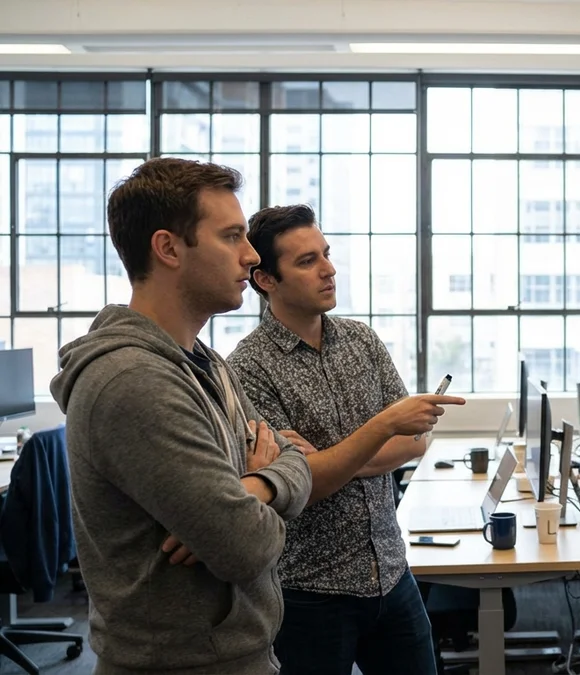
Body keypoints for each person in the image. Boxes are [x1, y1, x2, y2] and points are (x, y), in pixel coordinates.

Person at [48, 158, 461, 675]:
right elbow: (246, 542)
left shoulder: (207, 363)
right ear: (168, 248)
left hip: (317, 606)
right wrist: (277, 481)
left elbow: (286, 465)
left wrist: (262, 481)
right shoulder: (137, 380)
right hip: (229, 634)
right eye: (231, 237)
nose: (246, 256)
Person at [226, 204, 443, 675]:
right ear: (266, 280)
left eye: (325, 254)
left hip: (390, 571)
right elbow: (301, 486)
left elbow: (413, 443)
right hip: (309, 592)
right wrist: (377, 432)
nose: (329, 269)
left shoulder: (362, 341)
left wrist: (325, 460)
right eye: (306, 261)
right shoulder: (248, 367)